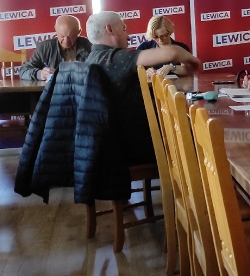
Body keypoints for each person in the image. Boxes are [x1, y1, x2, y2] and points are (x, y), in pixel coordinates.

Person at [85, 11, 200, 165]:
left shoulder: (91, 58)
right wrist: (194, 61)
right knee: (198, 136)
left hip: (114, 146)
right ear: (110, 29)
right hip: (138, 146)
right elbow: (173, 52)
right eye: (124, 29)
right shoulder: (117, 58)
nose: (128, 37)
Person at [18, 15, 92, 81]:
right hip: (55, 90)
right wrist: (40, 74)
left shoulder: (90, 46)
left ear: (79, 32)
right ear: (56, 30)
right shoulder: (44, 48)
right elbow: (23, 71)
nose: (66, 41)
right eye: (62, 36)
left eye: (70, 36)